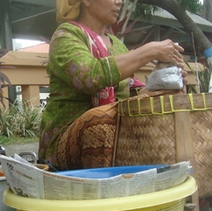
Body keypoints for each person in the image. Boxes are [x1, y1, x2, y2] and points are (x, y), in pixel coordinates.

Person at [38, 0, 188, 170]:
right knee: (100, 121)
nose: (120, 1)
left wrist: (164, 81)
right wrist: (150, 50)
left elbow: (128, 97)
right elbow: (89, 77)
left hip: (116, 138)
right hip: (64, 142)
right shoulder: (66, 35)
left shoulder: (118, 45)